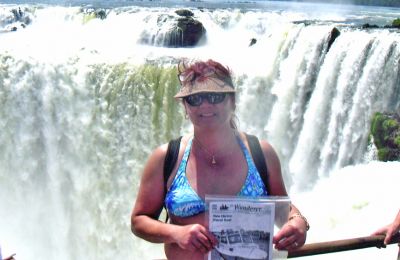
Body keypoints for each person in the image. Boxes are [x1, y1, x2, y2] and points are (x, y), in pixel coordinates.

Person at [131, 59, 309, 259]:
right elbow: (139, 220)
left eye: (215, 96)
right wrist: (176, 233)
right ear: (185, 107)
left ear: (232, 101)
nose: (205, 105)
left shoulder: (261, 153)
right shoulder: (167, 158)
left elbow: (281, 209)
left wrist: (297, 222)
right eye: (195, 99)